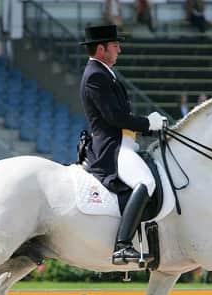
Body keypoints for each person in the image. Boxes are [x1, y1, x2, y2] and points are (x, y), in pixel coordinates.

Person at [79, 25, 166, 265]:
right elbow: (115, 117)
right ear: (101, 49)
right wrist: (148, 123)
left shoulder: (105, 73)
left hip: (125, 143)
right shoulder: (96, 75)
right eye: (115, 46)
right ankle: (122, 246)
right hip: (113, 147)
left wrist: (150, 126)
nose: (120, 50)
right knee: (146, 182)